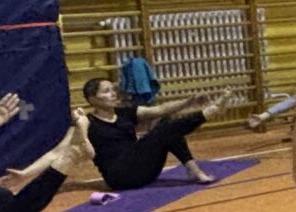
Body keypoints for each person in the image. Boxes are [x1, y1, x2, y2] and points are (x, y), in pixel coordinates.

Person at [64, 76, 224, 190]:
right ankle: (205, 114)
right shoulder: (87, 122)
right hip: (120, 178)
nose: (113, 94)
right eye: (106, 91)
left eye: (113, 90)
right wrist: (76, 120)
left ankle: (193, 170)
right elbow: (71, 143)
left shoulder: (124, 112)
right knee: (163, 130)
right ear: (92, 99)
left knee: (165, 123)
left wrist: (189, 101)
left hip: (143, 171)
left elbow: (160, 110)